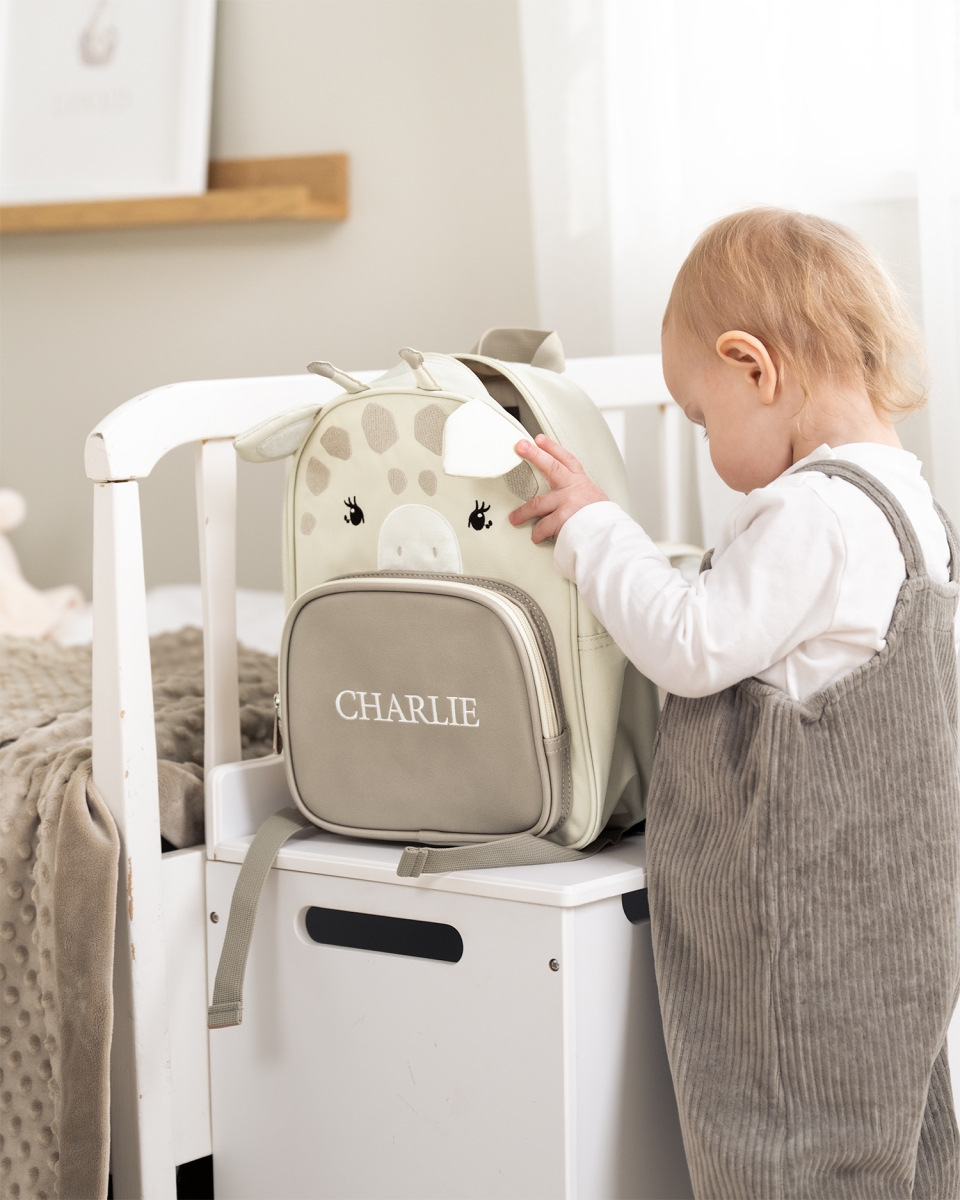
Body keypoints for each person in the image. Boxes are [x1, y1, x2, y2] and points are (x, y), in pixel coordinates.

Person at [509, 208, 960, 1200]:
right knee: (889, 1141)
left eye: (702, 419)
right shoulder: (910, 507)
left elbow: (693, 643)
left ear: (753, 367)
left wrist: (595, 529)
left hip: (806, 932)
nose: (706, 443)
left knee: (787, 1146)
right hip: (900, 932)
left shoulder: (816, 513)